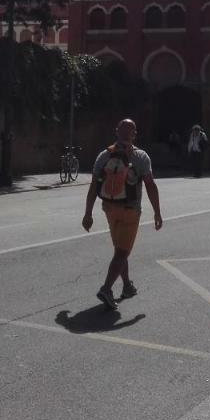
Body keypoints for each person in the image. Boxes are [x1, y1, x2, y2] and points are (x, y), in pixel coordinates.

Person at [83, 119, 163, 309]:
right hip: (130, 211)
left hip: (109, 208)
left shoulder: (104, 155)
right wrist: (157, 212)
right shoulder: (141, 156)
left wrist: (88, 213)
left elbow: (94, 186)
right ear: (134, 134)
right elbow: (150, 185)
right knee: (122, 252)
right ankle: (107, 289)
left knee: (120, 250)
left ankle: (127, 286)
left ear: (117, 131)